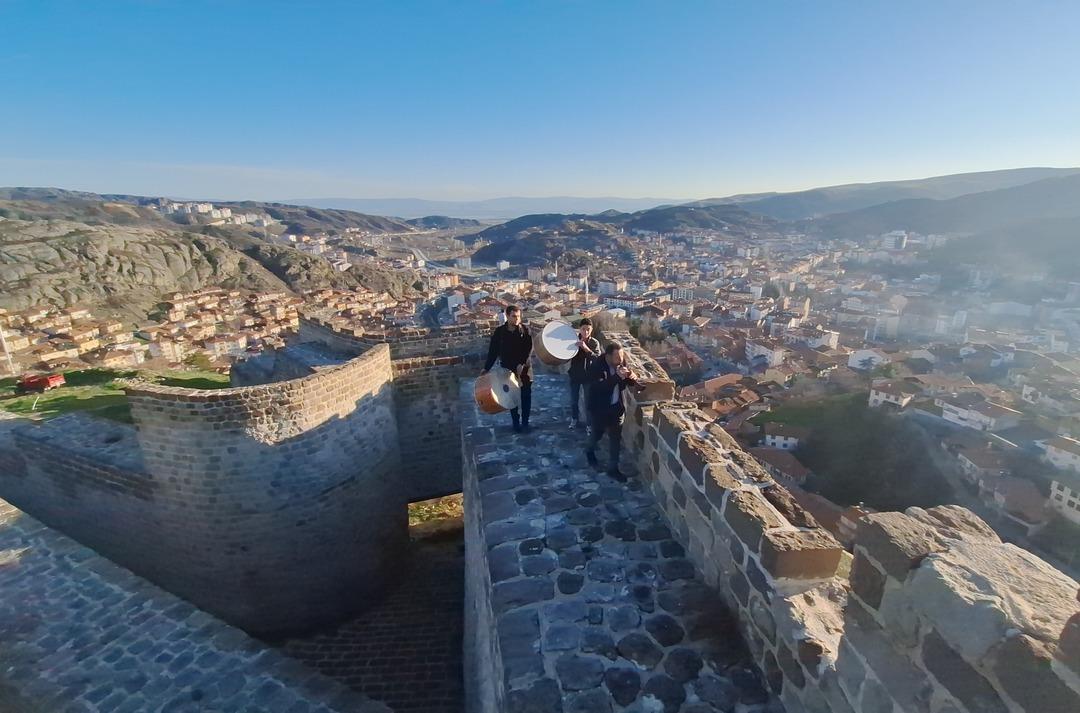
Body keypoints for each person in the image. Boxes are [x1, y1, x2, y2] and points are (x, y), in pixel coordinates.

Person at [584, 342, 640, 481]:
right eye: (617, 357)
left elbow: (625, 381)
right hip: (600, 409)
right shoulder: (596, 367)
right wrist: (617, 377)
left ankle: (613, 469)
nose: (620, 360)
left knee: (615, 439)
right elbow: (599, 388)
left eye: (621, 356)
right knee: (597, 434)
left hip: (616, 408)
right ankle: (589, 451)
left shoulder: (620, 362)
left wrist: (632, 377)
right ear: (608, 356)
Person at [481, 304, 533, 432]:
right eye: (514, 316)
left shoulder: (525, 330)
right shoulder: (500, 333)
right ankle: (516, 423)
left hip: (524, 369)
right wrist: (486, 368)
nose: (517, 319)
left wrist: (522, 363)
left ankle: (525, 423)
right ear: (507, 316)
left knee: (526, 396)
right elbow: (493, 352)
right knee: (511, 397)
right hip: (507, 370)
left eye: (518, 317)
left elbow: (529, 349)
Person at [566, 318, 601, 430]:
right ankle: (574, 419)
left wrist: (586, 349)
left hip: (588, 377)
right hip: (575, 375)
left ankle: (589, 425)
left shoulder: (594, 343)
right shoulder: (573, 340)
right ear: (579, 329)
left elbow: (597, 359)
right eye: (583, 329)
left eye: (588, 329)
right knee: (573, 401)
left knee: (588, 403)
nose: (585, 332)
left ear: (591, 330)